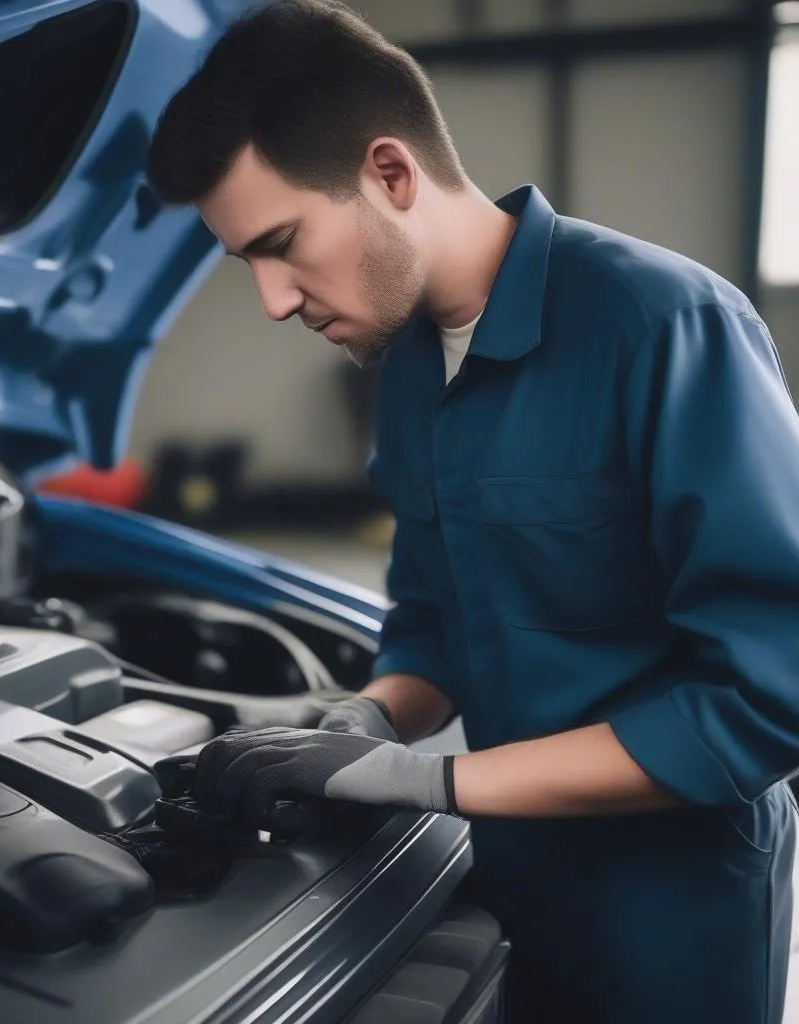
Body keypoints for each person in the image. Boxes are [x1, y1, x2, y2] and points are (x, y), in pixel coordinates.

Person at [145, 2, 799, 1021]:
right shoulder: (403, 367)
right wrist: (363, 720)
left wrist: (422, 781)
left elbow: (763, 697)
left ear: (390, 174)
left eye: (282, 244)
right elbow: (433, 620)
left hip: (672, 908)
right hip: (509, 880)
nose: (274, 300)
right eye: (248, 265)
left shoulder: (665, 327)